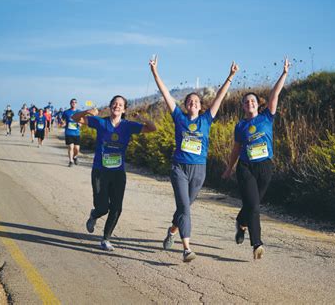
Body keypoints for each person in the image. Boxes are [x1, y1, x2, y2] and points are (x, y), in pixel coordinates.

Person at [149, 56, 238, 262]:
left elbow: (220, 97)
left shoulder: (206, 119)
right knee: (185, 208)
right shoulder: (178, 117)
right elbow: (165, 94)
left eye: (197, 101)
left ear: (200, 106)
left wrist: (230, 77)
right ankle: (187, 248)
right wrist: (155, 73)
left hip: (199, 170)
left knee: (184, 206)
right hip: (179, 168)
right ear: (186, 105)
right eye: (190, 101)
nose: (193, 103)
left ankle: (172, 230)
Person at [222, 57, 290, 260]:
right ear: (243, 106)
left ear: (257, 104)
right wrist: (229, 168)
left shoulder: (266, 116)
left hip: (265, 167)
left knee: (253, 204)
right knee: (254, 205)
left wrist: (284, 73)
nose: (249, 103)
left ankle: (241, 223)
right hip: (246, 168)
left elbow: (275, 94)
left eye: (252, 100)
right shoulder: (240, 126)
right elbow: (236, 149)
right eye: (246, 102)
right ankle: (257, 244)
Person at [72, 95, 156, 251]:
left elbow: (152, 128)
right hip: (100, 171)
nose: (117, 106)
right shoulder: (100, 122)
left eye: (120, 104)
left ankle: (105, 239)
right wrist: (87, 111)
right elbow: (75, 118)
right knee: (103, 207)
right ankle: (94, 214)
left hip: (118, 173)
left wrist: (142, 118)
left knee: (117, 207)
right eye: (114, 104)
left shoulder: (128, 125)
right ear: (110, 107)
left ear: (124, 109)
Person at [62, 99, 81, 167]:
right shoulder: (66, 112)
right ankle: (71, 161)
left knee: (77, 149)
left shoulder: (79, 112)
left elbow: (83, 120)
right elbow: (62, 119)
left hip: (76, 133)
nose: (74, 103)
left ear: (76, 104)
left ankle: (75, 157)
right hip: (69, 132)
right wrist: (63, 123)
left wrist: (80, 123)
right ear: (70, 103)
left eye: (75, 102)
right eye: (72, 102)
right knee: (70, 147)